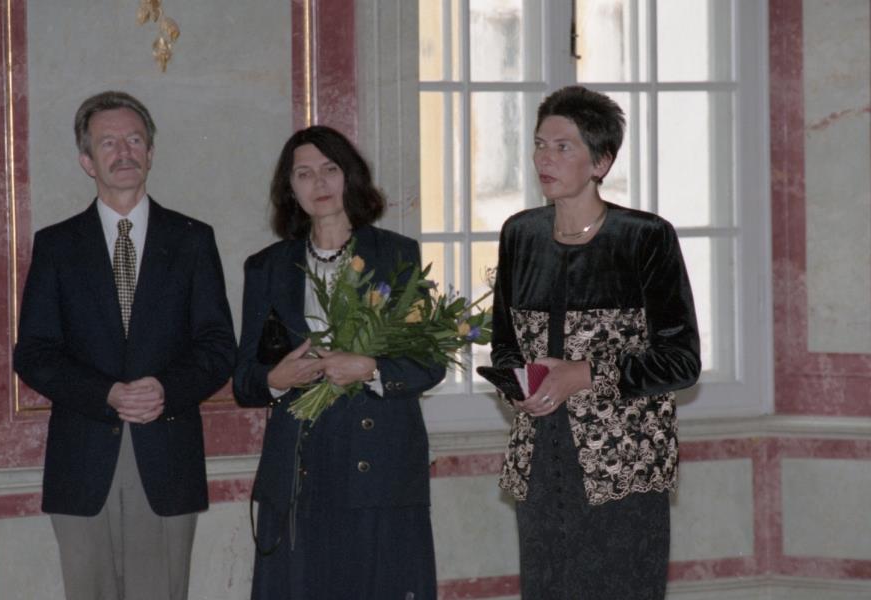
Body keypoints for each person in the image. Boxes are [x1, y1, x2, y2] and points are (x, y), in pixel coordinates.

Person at [13, 90, 236, 600]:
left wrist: (165, 388)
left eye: (135, 140)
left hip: (166, 454)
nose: (124, 152)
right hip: (82, 458)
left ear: (151, 153)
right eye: (108, 142)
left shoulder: (193, 239)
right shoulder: (56, 245)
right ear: (86, 161)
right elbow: (34, 353)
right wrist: (107, 393)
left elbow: (218, 346)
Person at [489, 85, 701, 599]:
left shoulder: (645, 237)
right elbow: (505, 346)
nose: (545, 158)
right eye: (540, 145)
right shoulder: (520, 234)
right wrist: (519, 386)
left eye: (563, 147)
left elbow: (681, 361)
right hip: (541, 464)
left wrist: (582, 374)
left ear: (601, 162)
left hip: (623, 467)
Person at [234, 125, 445, 599]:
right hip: (300, 467)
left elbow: (429, 363)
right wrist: (276, 378)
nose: (319, 183)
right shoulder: (266, 267)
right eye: (304, 174)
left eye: (330, 169)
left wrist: (370, 368)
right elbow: (244, 379)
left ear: (350, 176)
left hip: (379, 466)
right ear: (290, 188)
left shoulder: (396, 254)